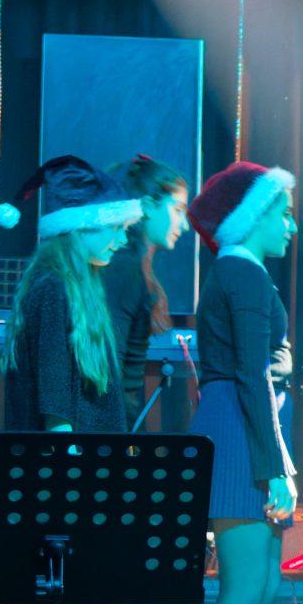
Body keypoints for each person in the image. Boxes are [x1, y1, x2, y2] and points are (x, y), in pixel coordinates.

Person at [0, 157, 147, 604]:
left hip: (70, 473)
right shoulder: (53, 289)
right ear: (80, 227)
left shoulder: (76, 287)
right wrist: (67, 479)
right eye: (113, 228)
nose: (121, 240)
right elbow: (55, 399)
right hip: (56, 472)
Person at [186, 160, 302, 604]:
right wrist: (274, 467)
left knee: (260, 584)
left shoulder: (238, 272)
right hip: (238, 430)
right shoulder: (243, 274)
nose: (292, 226)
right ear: (253, 216)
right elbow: (254, 376)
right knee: (245, 583)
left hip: (242, 425)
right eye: (284, 213)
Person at [107, 154, 194, 429]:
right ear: (147, 207)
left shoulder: (134, 267)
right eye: (178, 210)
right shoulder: (125, 269)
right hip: (110, 426)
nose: (185, 224)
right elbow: (110, 368)